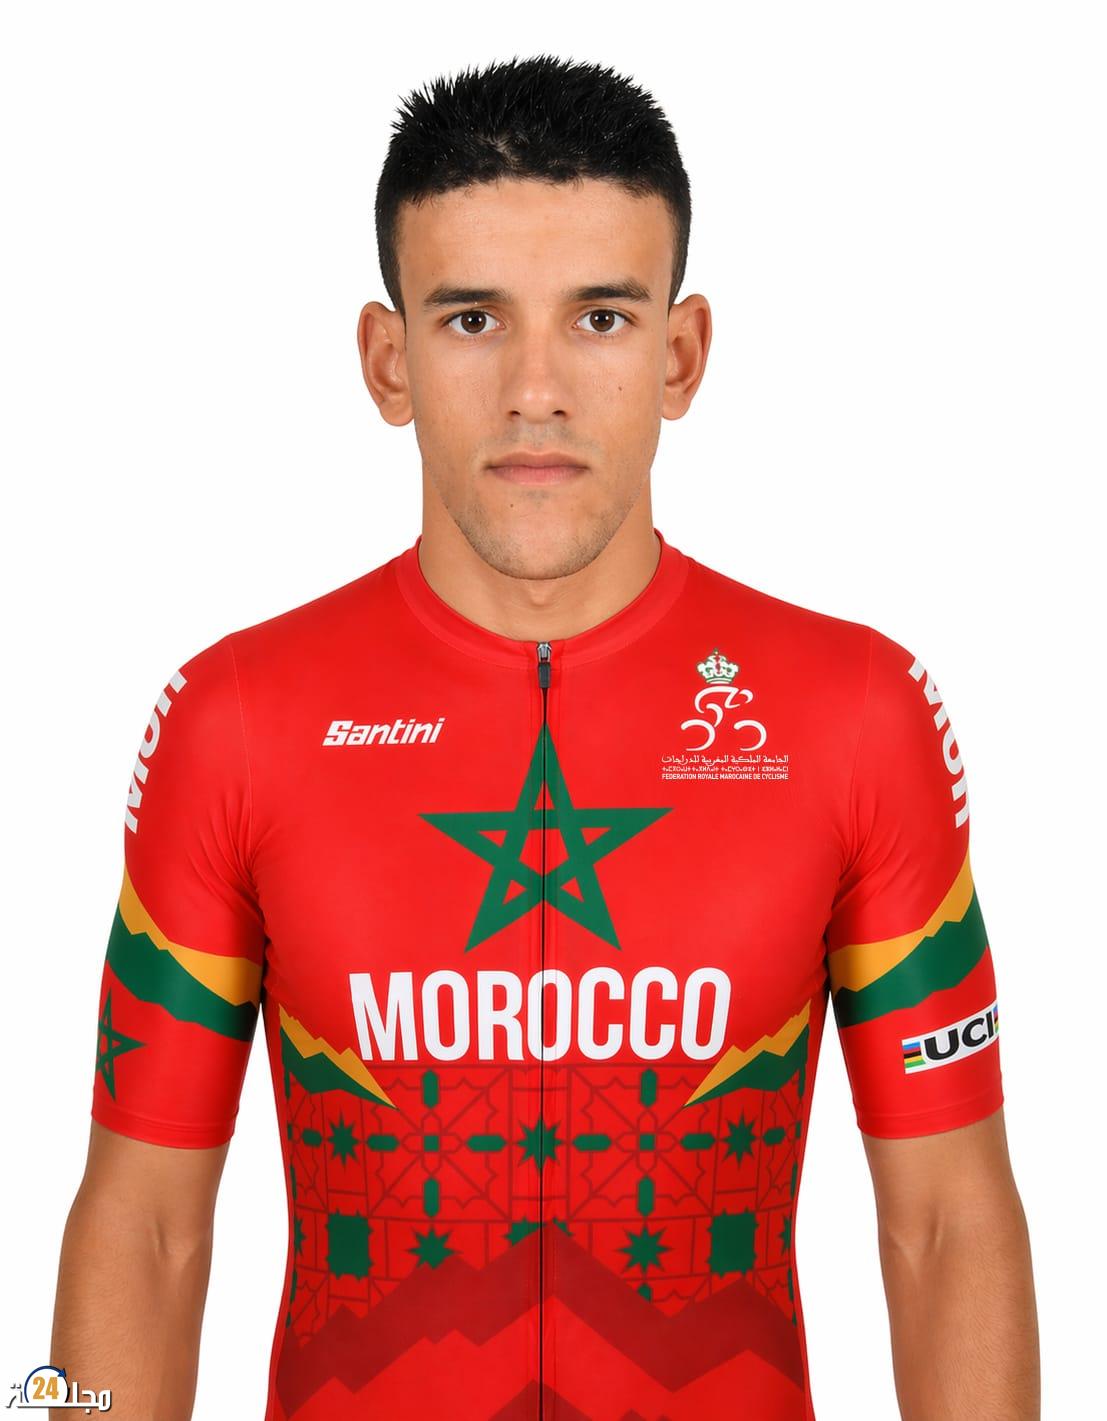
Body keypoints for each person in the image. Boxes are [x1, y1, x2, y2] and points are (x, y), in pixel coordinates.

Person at [51, 53, 1039, 1421]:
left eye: (600, 318)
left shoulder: (857, 712)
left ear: (681, 355)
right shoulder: (235, 721)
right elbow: (144, 1226)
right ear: (387, 361)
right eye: (472, 319)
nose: (536, 389)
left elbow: (946, 1223)